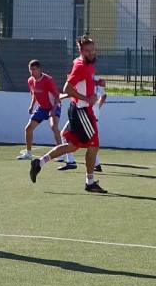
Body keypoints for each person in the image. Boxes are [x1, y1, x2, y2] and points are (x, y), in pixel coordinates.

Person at [28, 36, 107, 193]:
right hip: (82, 112)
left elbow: (84, 81)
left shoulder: (87, 63)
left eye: (93, 49)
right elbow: (67, 88)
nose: (91, 52)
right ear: (81, 51)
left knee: (72, 146)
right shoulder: (80, 66)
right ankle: (90, 182)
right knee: (93, 146)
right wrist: (86, 99)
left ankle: (39, 162)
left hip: (80, 110)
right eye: (87, 50)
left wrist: (97, 82)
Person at [17, 59, 60, 161]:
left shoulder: (48, 80)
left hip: (53, 106)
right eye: (30, 70)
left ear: (39, 69)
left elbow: (57, 96)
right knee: (28, 129)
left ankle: (61, 153)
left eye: (34, 69)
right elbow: (34, 94)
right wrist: (31, 106)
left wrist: (53, 110)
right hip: (42, 108)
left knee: (54, 127)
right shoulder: (30, 80)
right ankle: (28, 153)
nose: (32, 72)